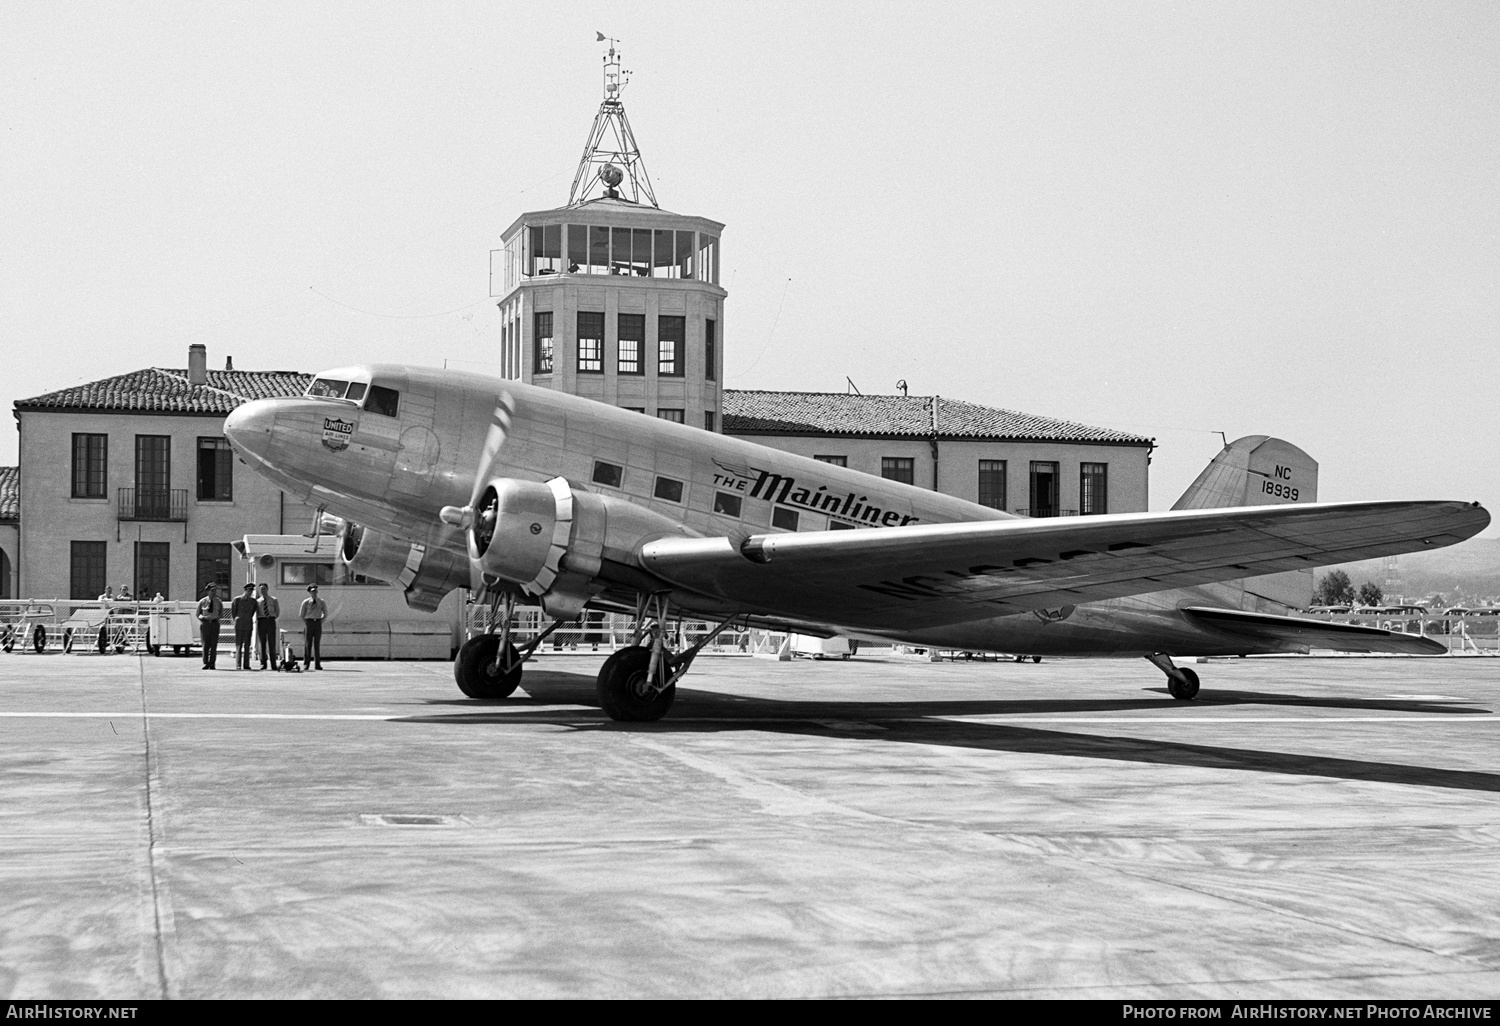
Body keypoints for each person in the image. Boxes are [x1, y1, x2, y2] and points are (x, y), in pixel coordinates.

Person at [299, 584, 328, 670]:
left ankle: (317, 664)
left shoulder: (321, 601)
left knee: (317, 644)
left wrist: (320, 621)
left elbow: (325, 613)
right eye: (312, 591)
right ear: (309, 592)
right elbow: (301, 614)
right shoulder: (306, 602)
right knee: (308, 644)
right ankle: (306, 664)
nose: (314, 593)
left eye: (315, 591)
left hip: (317, 622)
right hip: (309, 622)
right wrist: (307, 622)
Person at [230, 583, 257, 670]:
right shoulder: (237, 599)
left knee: (247, 645)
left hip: (248, 624)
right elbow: (234, 612)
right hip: (239, 624)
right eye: (248, 590)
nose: (250, 592)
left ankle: (246, 664)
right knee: (239, 645)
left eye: (251, 591)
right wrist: (237, 619)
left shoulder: (253, 601)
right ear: (245, 590)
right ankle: (238, 664)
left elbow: (252, 612)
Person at [196, 583, 223, 669]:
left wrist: (215, 618)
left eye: (215, 590)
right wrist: (203, 618)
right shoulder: (202, 601)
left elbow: (221, 613)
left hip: (214, 624)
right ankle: (206, 662)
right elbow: (197, 614)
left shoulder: (218, 602)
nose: (214, 592)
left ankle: (212, 663)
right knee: (205, 644)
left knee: (213, 644)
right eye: (212, 590)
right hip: (205, 624)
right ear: (208, 591)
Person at [255, 583, 280, 670]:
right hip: (261, 621)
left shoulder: (273, 600)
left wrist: (271, 617)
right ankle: (263, 663)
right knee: (262, 643)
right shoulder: (257, 601)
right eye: (261, 589)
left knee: (272, 643)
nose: (263, 591)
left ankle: (273, 664)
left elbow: (277, 612)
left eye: (264, 589)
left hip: (270, 621)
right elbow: (257, 612)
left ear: (267, 589)